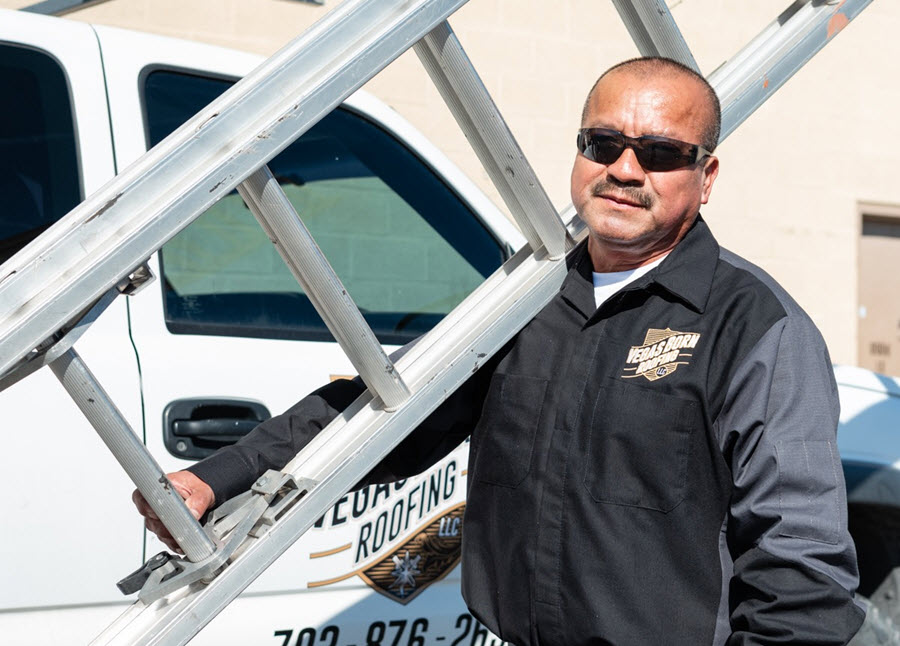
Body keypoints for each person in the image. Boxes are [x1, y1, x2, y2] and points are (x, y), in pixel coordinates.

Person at [135, 57, 865, 645]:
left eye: (662, 153)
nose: (625, 169)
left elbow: (799, 561)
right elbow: (382, 412)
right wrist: (219, 477)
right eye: (603, 143)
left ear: (705, 178)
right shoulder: (524, 298)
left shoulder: (755, 326)